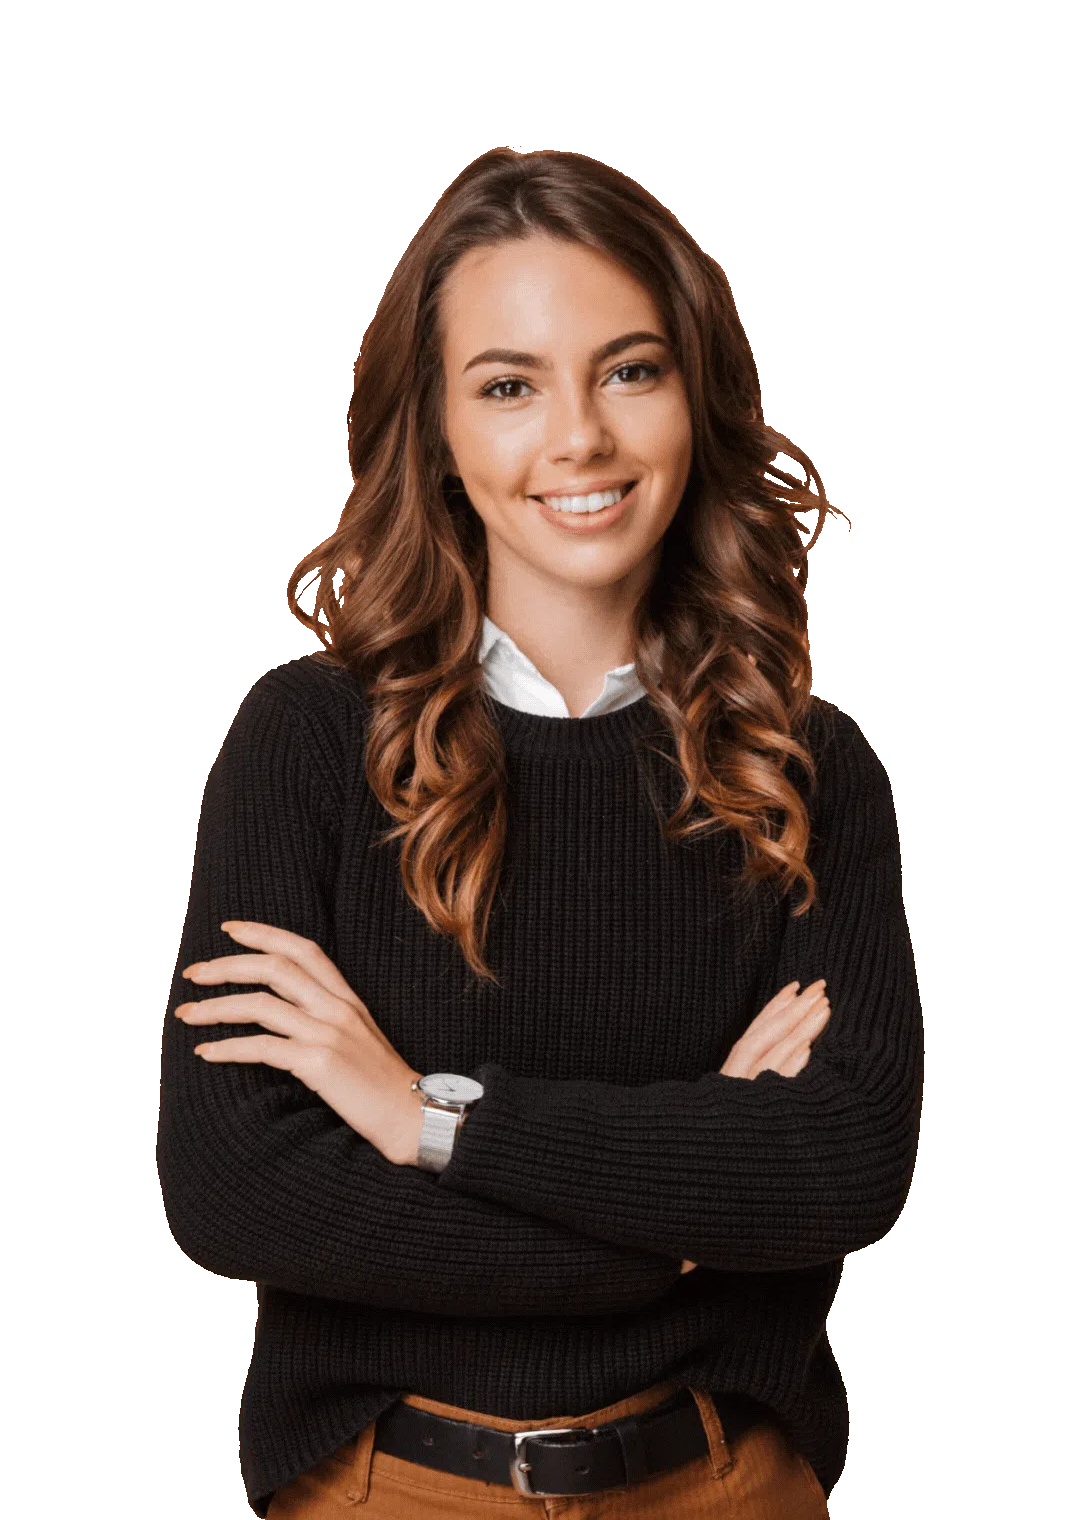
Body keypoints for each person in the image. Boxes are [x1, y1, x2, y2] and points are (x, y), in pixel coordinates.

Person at [157, 149, 922, 1518]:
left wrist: (427, 1118)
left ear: (696, 396)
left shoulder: (809, 769)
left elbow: (844, 1168)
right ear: (438, 432)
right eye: (509, 386)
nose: (580, 439)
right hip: (391, 1488)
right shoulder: (307, 743)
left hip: (725, 1484)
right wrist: (681, 1231)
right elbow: (237, 1190)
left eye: (629, 371)